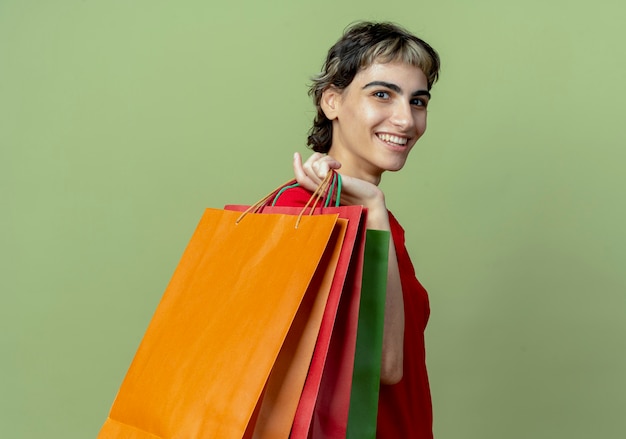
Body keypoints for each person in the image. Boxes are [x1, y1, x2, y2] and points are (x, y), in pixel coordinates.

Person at [274, 21, 440, 438]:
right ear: (332, 100)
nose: (405, 119)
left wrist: (372, 209)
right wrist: (371, 208)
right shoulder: (298, 214)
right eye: (382, 94)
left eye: (418, 101)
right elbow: (384, 365)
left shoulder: (382, 221)